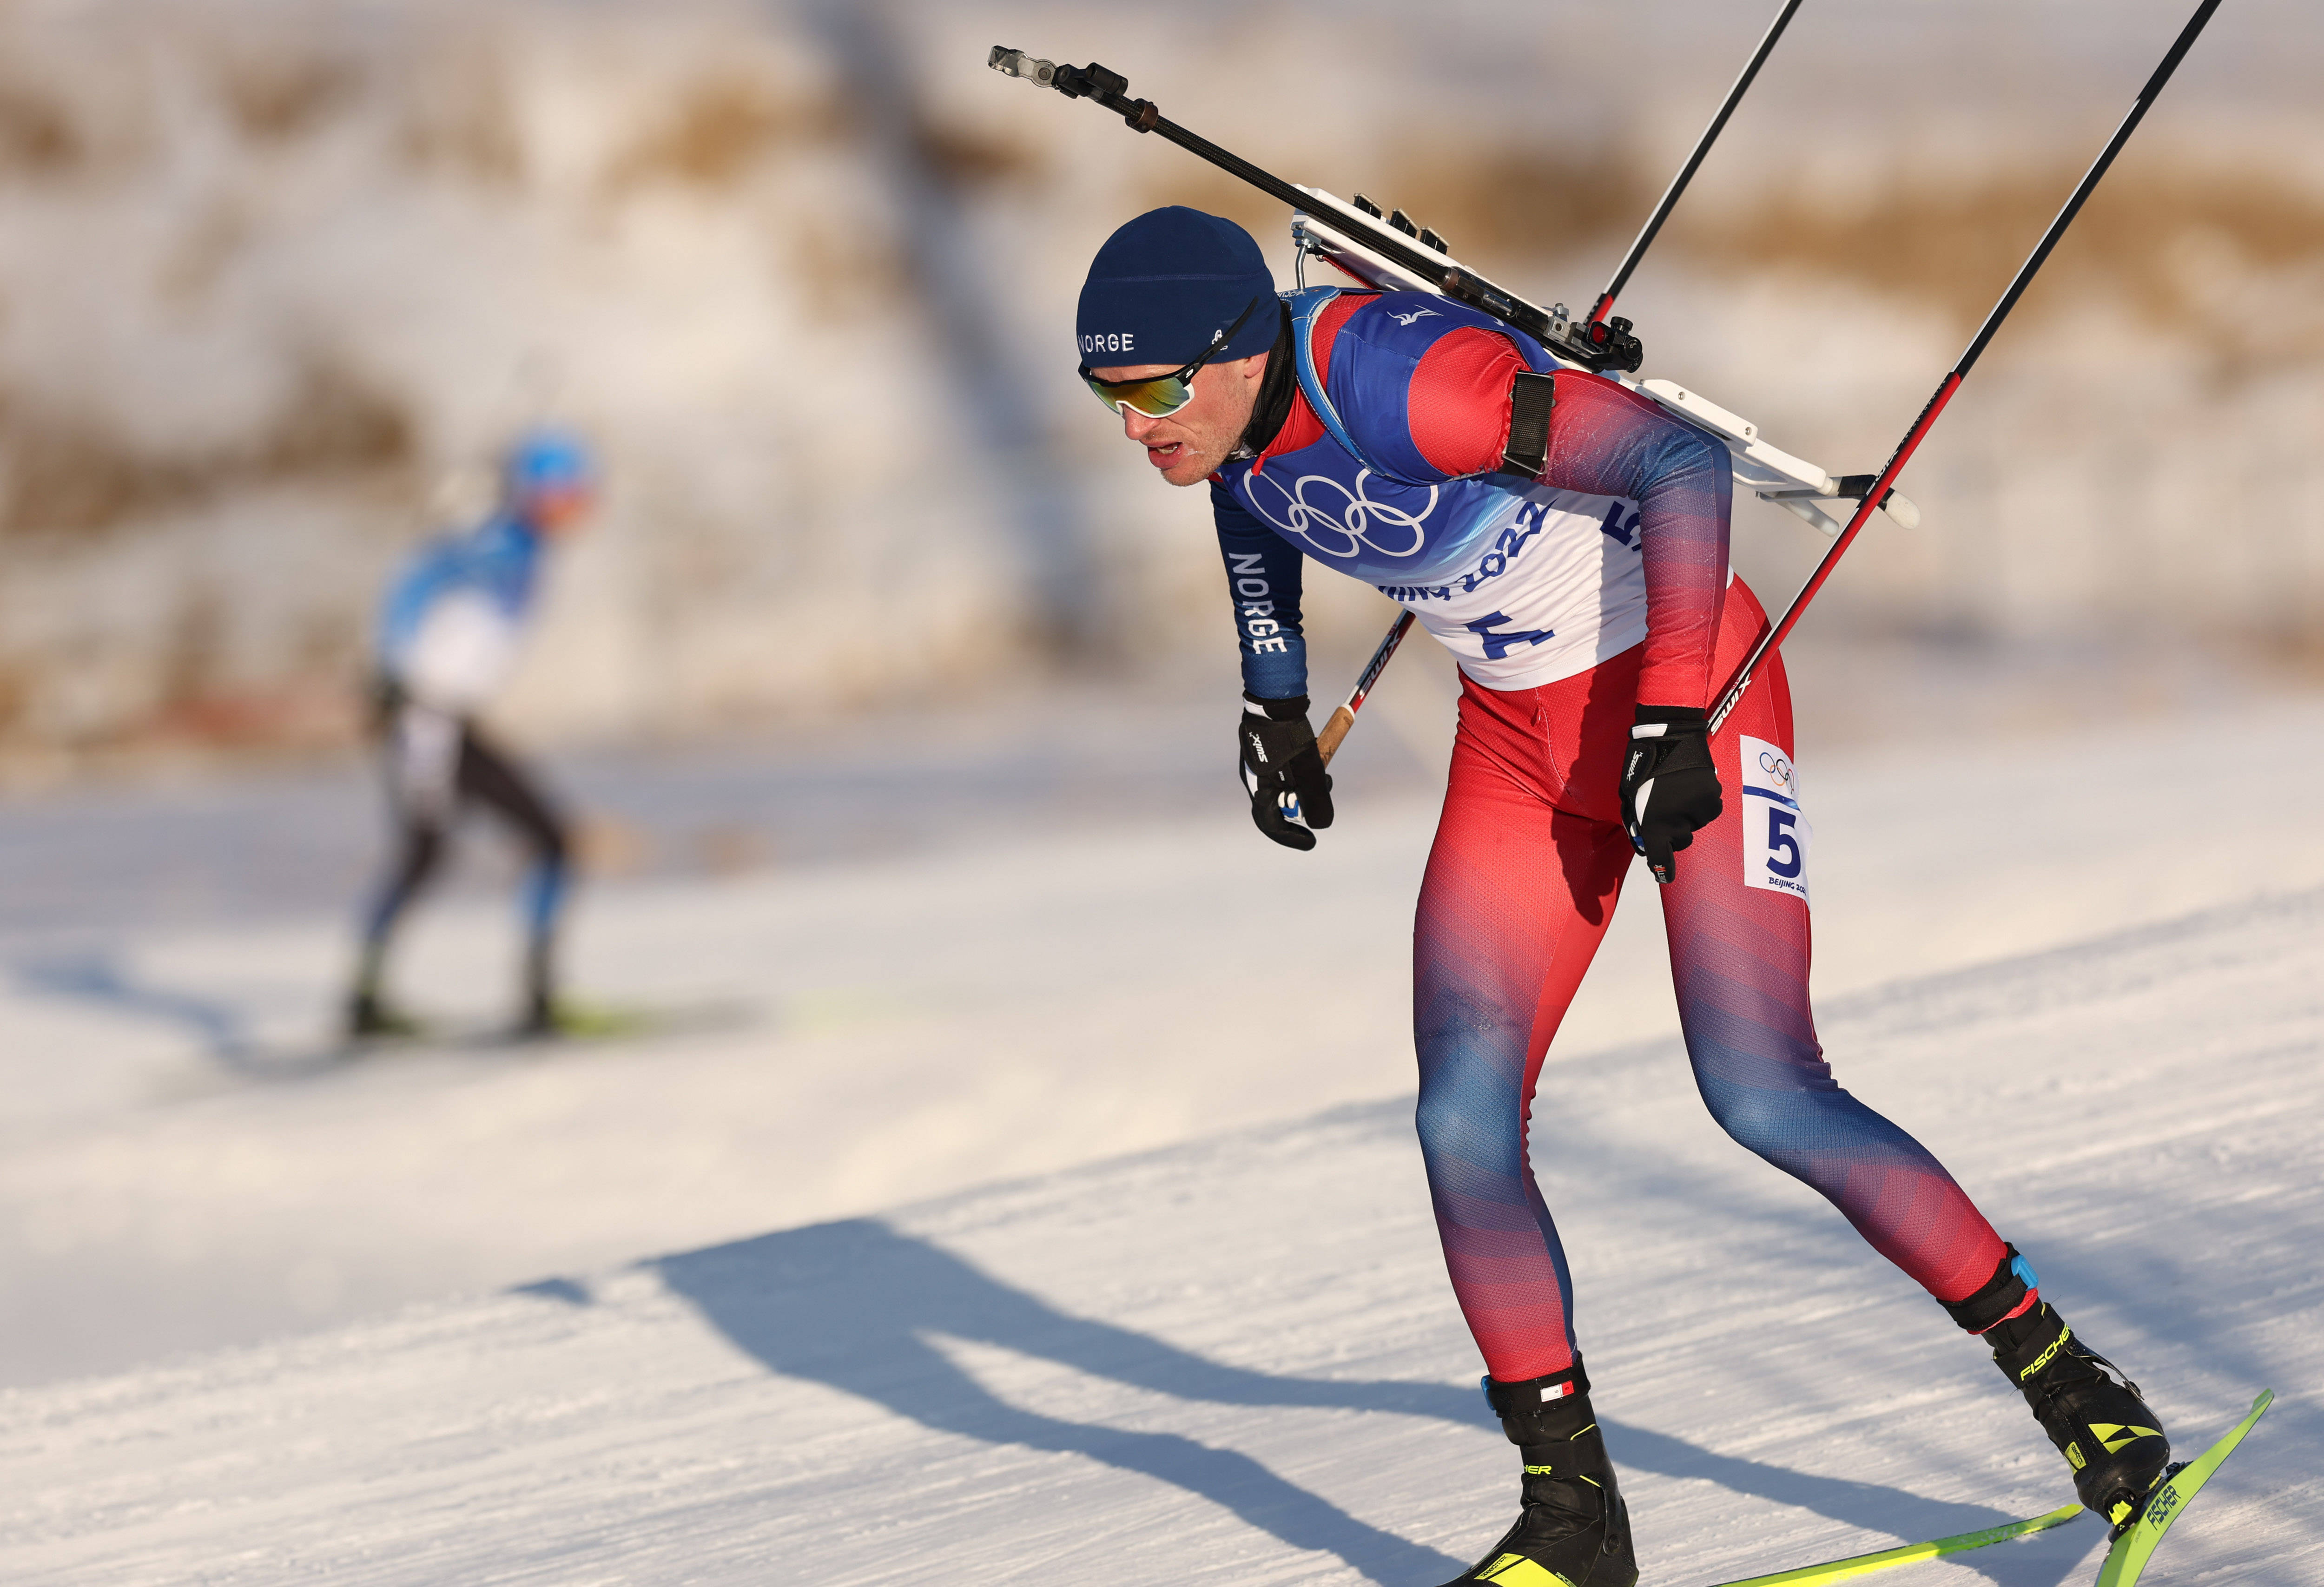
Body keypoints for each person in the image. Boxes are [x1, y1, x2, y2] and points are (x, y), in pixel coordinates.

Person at [1076, 208, 2170, 1586]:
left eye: (1157, 390)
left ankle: (2071, 1381)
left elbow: (1675, 460)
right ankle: (1573, 1519)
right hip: (1518, 744)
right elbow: (1255, 518)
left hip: (1690, 684)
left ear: (1243, 350)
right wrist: (1273, 702)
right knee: (1461, 1117)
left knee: (1762, 1089)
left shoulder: (1407, 382)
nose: (1135, 428)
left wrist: (1667, 723)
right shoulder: (1223, 433)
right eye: (1108, 398)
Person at [346, 429, 594, 1041]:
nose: (582, 507)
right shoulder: (496, 543)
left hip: (453, 720)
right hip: (423, 719)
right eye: (571, 493)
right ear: (542, 493)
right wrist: (393, 674)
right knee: (429, 851)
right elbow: (417, 583)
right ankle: (365, 1002)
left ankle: (535, 997)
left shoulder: (524, 545)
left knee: (549, 841)